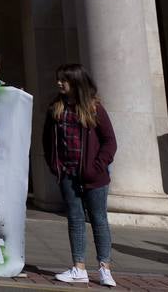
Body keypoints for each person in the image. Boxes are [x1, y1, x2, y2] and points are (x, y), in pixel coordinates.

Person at [42, 63, 117, 287]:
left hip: (94, 177)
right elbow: (47, 140)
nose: (59, 83)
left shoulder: (94, 108)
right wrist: (54, 165)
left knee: (99, 220)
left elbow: (110, 142)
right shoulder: (56, 107)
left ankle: (105, 268)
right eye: (58, 79)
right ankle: (79, 267)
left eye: (63, 80)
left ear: (76, 82)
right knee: (75, 219)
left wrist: (96, 167)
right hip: (67, 174)